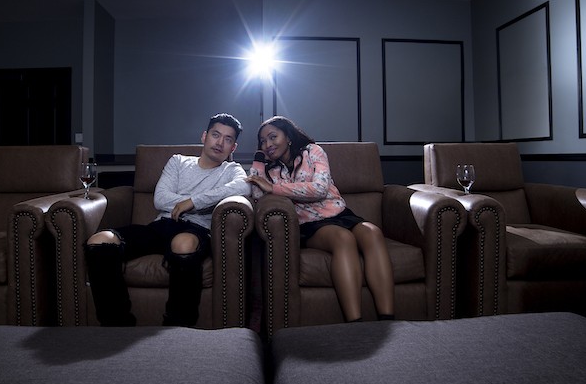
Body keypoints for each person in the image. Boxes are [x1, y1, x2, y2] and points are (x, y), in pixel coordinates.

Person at [84, 113, 250, 327]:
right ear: (204, 136)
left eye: (228, 139)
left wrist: (193, 202)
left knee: (183, 243)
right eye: (215, 135)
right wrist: (203, 199)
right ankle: (117, 325)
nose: (220, 143)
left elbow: (243, 186)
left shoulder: (231, 170)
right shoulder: (178, 162)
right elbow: (161, 199)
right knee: (99, 241)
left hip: (197, 230)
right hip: (161, 226)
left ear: (233, 148)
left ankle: (177, 327)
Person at [246, 116, 395, 323]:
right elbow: (257, 196)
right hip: (309, 225)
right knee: (343, 239)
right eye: (263, 141)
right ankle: (355, 322)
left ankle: (387, 317)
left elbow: (320, 188)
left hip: (339, 213)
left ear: (288, 136)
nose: (268, 144)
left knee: (373, 232)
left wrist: (274, 188)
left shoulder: (313, 152)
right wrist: (258, 161)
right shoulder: (269, 170)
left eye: (273, 137)